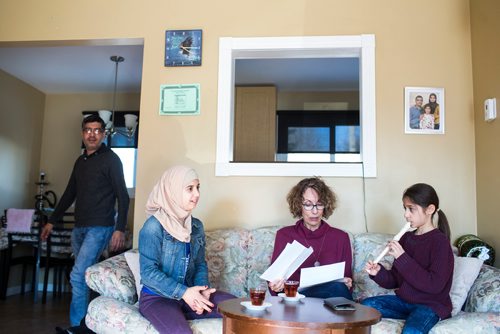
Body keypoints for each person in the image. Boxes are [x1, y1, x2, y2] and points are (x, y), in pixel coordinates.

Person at [41, 113, 129, 326]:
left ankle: (77, 327)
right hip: (79, 228)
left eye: (97, 130)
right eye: (88, 130)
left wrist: (119, 229)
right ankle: (94, 323)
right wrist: (52, 221)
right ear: (82, 133)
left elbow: (123, 196)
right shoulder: (80, 161)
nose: (92, 134)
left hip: (100, 227)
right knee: (86, 278)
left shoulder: (111, 159)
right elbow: (70, 193)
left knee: (78, 276)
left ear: (103, 134)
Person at [139, 166, 235, 334]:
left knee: (240, 309)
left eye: (198, 188)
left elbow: (199, 264)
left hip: (192, 295)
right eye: (189, 188)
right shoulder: (153, 226)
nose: (197, 194)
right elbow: (148, 272)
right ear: (172, 192)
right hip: (158, 298)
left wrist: (201, 291)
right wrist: (184, 293)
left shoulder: (196, 225)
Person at [361, 183, 453, 334]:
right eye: (405, 208)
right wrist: (378, 272)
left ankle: (416, 318)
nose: (406, 214)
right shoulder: (407, 238)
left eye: (411, 209)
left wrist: (402, 257)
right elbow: (395, 280)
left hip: (430, 305)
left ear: (430, 209)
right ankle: (411, 315)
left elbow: (434, 285)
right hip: (405, 302)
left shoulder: (440, 242)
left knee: (411, 330)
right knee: (365, 306)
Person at [268, 177, 353, 299]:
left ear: (325, 206)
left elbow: (347, 283)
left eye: (319, 204)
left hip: (330, 301)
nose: (315, 211)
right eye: (308, 205)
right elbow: (275, 282)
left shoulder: (341, 237)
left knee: (338, 288)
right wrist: (276, 285)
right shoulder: (284, 235)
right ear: (298, 206)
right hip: (295, 300)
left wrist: (348, 283)